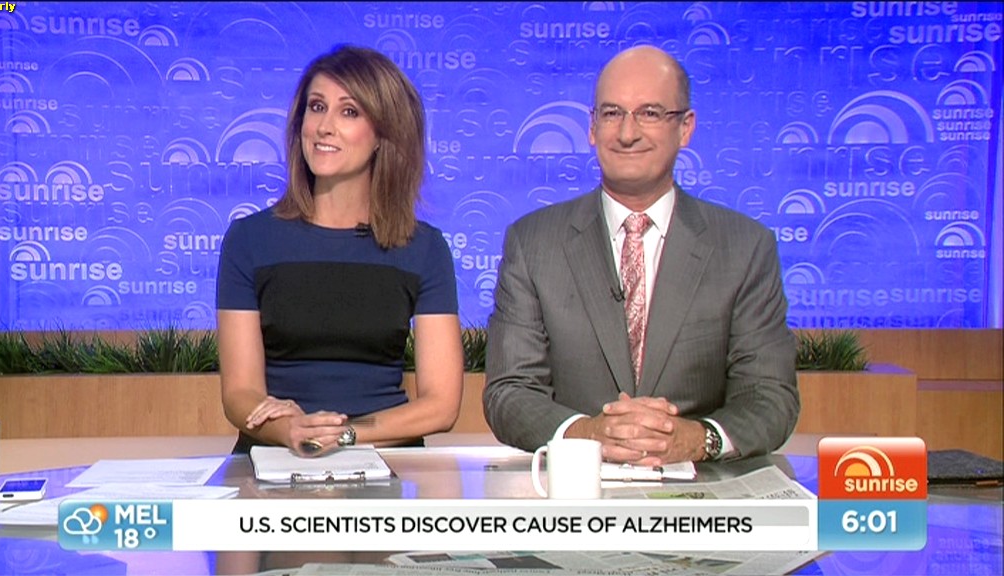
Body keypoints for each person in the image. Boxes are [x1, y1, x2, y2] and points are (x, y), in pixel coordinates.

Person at [483, 46, 799, 465]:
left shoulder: (743, 247)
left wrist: (697, 439)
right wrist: (588, 435)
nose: (627, 133)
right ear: (592, 127)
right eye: (612, 113)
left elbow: (770, 396)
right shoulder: (533, 243)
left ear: (685, 128)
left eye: (650, 113)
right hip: (574, 488)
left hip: (703, 490)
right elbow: (509, 393)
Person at [216, 45, 463, 456]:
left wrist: (341, 435)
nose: (324, 127)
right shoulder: (250, 240)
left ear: (384, 133)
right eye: (317, 107)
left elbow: (441, 405)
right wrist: (290, 429)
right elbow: (240, 393)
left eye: (349, 112)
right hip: (275, 456)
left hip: (384, 457)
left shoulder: (423, 249)